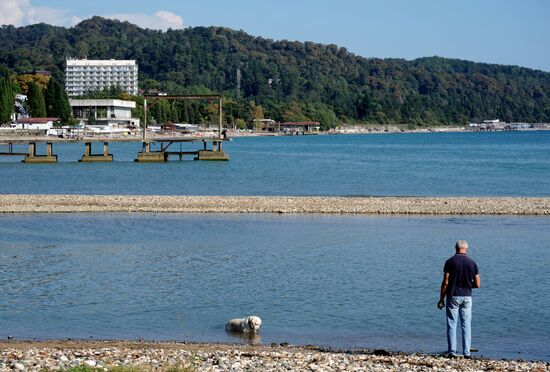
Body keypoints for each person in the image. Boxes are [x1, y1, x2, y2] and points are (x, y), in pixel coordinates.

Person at [438, 240, 480, 358]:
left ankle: (452, 352)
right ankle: (466, 353)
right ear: (466, 248)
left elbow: (445, 282)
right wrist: (467, 285)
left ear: (455, 248)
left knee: (452, 323)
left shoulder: (449, 262)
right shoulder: (472, 263)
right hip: (467, 296)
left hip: (453, 295)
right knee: (466, 324)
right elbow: (477, 284)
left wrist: (441, 299)